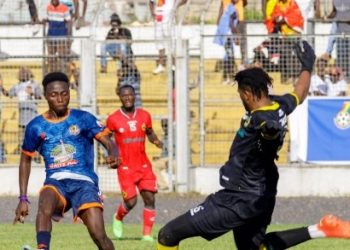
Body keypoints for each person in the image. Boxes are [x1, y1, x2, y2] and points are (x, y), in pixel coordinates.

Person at [157, 41, 350, 250]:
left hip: (238, 198)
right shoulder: (279, 104)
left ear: (247, 94)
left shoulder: (263, 119)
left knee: (168, 234)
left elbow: (267, 129)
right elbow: (300, 93)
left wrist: (269, 132)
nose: (240, 97)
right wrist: (307, 67)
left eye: (240, 93)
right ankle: (321, 229)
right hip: (262, 193)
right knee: (256, 247)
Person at [13, 72, 118, 250]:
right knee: (45, 200)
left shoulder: (83, 118)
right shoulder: (35, 126)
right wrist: (23, 198)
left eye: (64, 93)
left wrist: (113, 153)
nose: (60, 98)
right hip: (56, 182)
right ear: (45, 95)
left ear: (69, 93)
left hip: (84, 183)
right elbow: (25, 161)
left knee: (99, 236)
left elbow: (109, 142)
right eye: (54, 94)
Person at [106, 84, 163, 241]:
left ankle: (146, 235)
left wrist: (156, 141)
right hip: (125, 167)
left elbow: (149, 132)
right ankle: (118, 217)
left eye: (130, 95)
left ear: (134, 96)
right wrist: (111, 154)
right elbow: (106, 138)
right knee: (131, 202)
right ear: (120, 97)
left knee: (150, 198)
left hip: (144, 165)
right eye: (124, 96)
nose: (128, 98)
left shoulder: (145, 115)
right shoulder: (113, 119)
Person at [0, 67, 43, 153]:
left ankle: (36, 156)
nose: (23, 74)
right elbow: (8, 94)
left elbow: (40, 97)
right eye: (21, 72)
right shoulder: (17, 86)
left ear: (29, 74)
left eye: (25, 72)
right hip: (22, 117)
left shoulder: (34, 84)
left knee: (34, 136)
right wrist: (1, 87)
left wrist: (32, 93)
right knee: (23, 137)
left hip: (32, 115)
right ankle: (25, 154)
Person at [264, 0, 304, 84]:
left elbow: (296, 16)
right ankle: (289, 76)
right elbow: (274, 16)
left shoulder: (292, 3)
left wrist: (285, 19)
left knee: (297, 56)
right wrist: (277, 19)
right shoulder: (278, 4)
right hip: (284, 35)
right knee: (286, 56)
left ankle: (297, 77)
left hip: (294, 34)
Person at [149, 0, 187, 75]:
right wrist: (152, 13)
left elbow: (184, 1)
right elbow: (151, 2)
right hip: (159, 19)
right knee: (159, 42)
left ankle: (173, 64)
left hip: (169, 19)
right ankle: (161, 65)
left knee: (171, 42)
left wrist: (175, 7)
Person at [214, 0, 239, 85]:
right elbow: (232, 24)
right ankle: (229, 78)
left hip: (226, 36)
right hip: (228, 36)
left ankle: (226, 78)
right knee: (230, 57)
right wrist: (236, 36)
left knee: (227, 57)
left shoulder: (229, 8)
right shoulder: (232, 9)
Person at [43, 0, 71, 74]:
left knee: (62, 56)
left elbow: (69, 21)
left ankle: (63, 73)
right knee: (51, 56)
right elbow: (48, 19)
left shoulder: (64, 8)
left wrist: (68, 36)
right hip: (51, 35)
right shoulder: (48, 7)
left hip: (61, 36)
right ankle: (52, 72)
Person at [217, 0, 248, 65]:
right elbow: (222, 5)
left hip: (239, 20)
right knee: (228, 42)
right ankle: (230, 61)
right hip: (227, 20)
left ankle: (244, 62)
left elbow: (244, 3)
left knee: (242, 42)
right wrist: (219, 19)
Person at [327, 0, 350, 80]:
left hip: (349, 34)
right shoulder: (335, 1)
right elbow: (335, 12)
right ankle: (343, 81)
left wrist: (345, 18)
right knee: (341, 60)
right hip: (340, 34)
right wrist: (328, 16)